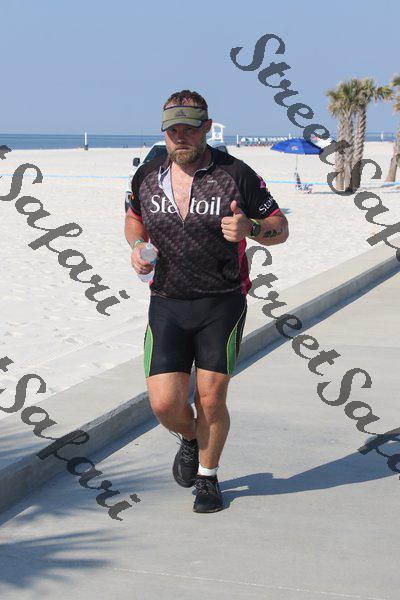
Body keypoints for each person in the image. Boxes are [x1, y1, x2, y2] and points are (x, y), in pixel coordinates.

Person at [124, 90, 289, 513]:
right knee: (164, 404)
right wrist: (137, 246)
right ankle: (190, 437)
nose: (180, 136)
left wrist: (252, 228)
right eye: (172, 129)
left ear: (207, 128)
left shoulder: (236, 173)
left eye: (190, 128)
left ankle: (208, 477)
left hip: (222, 303)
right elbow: (133, 219)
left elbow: (279, 226)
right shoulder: (146, 175)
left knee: (211, 399)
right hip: (167, 302)